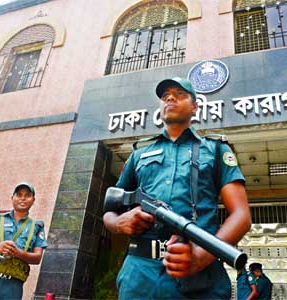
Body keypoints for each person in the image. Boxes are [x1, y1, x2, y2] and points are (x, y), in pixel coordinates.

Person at [103, 77, 252, 299]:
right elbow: (109, 210)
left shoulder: (216, 149)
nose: (170, 98)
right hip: (139, 273)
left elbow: (242, 215)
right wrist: (119, 223)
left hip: (199, 272)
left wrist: (201, 257)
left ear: (195, 107)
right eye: (165, 96)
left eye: (180, 94)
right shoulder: (139, 154)